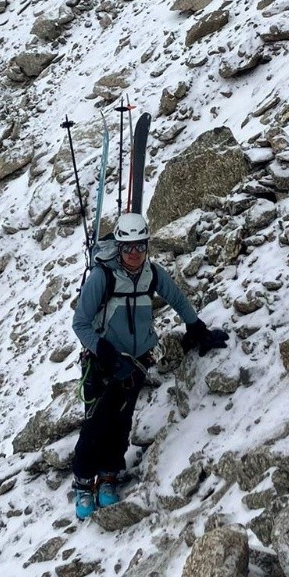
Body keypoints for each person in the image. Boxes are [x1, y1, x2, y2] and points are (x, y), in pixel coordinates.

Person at [70, 211, 228, 520]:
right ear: (119, 247)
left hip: (136, 362)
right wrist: (104, 352)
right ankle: (84, 481)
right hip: (103, 363)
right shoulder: (102, 277)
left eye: (140, 246)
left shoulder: (152, 274)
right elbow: (80, 323)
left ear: (147, 246)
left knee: (122, 420)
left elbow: (177, 299)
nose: (134, 253)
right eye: (128, 247)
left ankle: (109, 475)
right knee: (96, 423)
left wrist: (196, 328)